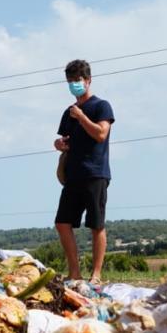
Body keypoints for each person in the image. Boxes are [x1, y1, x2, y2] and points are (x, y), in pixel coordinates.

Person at [54, 59, 114, 283]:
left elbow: (100, 134)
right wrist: (59, 145)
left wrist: (82, 117)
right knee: (62, 223)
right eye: (70, 81)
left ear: (88, 81)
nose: (73, 85)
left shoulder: (101, 106)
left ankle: (96, 274)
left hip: (95, 173)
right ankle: (75, 272)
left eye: (77, 80)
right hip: (73, 174)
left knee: (96, 224)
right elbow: (66, 140)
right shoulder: (68, 112)